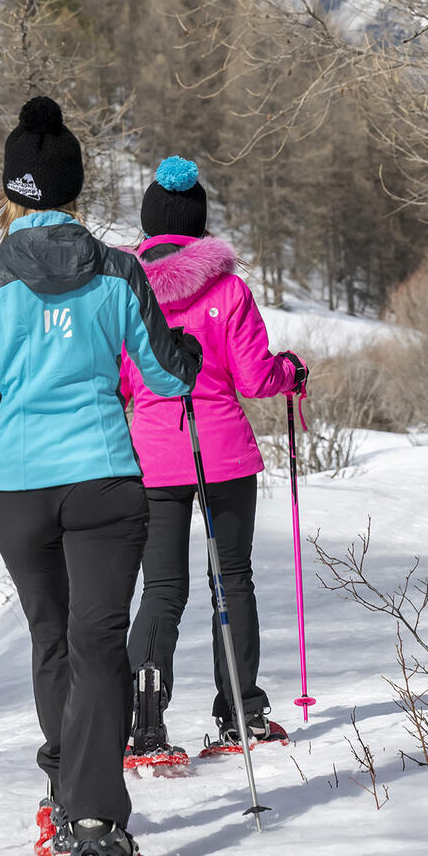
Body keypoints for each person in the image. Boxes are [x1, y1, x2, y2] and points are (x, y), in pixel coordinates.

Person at [0, 99, 202, 856]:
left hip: (20, 491)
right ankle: (94, 819)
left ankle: (62, 789)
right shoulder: (120, 272)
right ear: (75, 187)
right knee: (98, 643)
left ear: (11, 191)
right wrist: (184, 353)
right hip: (106, 481)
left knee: (52, 637)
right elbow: (164, 375)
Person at [119, 156, 307, 760]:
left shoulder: (123, 292)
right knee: (232, 578)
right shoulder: (229, 290)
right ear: (199, 225)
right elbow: (254, 378)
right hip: (223, 453)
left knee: (161, 588)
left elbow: (116, 383)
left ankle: (145, 723)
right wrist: (291, 373)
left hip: (153, 457)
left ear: (149, 226)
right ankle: (241, 713)